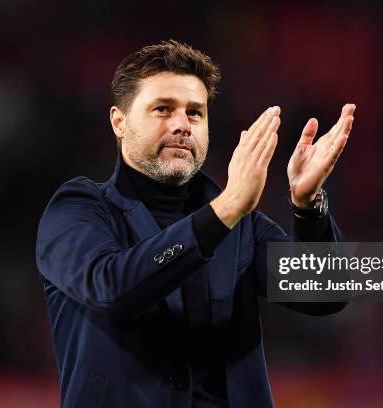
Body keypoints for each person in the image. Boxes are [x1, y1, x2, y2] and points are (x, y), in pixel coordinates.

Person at [36, 40, 355, 408]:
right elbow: (114, 287)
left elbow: (327, 293)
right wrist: (225, 210)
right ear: (119, 122)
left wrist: (308, 205)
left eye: (195, 113)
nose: (182, 125)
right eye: (162, 109)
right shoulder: (78, 209)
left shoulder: (240, 224)